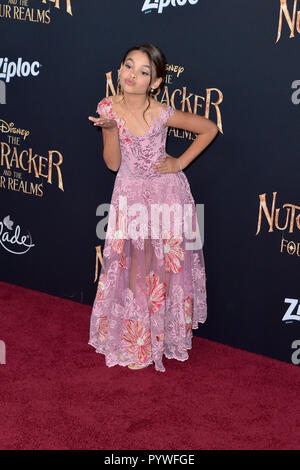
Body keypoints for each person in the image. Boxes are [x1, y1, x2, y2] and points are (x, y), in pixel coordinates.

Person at [88, 43, 218, 372]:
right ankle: (138, 339)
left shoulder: (161, 112)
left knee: (163, 271)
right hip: (130, 195)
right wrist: (111, 130)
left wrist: (178, 163)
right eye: (128, 66)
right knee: (133, 268)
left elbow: (209, 129)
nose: (133, 74)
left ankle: (166, 337)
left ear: (155, 81)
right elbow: (113, 163)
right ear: (119, 71)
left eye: (143, 71)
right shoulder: (107, 107)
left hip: (166, 195)